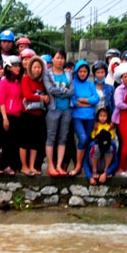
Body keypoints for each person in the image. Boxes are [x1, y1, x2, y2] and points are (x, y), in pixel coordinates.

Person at [43, 49, 74, 177]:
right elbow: (50, 89)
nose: (60, 60)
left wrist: (60, 91)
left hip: (66, 109)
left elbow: (72, 90)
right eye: (57, 58)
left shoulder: (68, 74)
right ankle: (50, 166)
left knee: (63, 138)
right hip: (53, 109)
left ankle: (59, 166)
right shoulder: (47, 74)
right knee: (51, 137)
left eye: (62, 58)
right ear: (52, 59)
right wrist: (63, 91)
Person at [69, 60, 99, 177]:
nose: (82, 73)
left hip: (90, 117)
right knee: (82, 138)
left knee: (88, 141)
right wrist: (88, 102)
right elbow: (74, 101)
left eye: (85, 71)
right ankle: (77, 165)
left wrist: (83, 100)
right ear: (77, 72)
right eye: (80, 71)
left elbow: (95, 99)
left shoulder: (91, 84)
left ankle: (86, 167)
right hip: (77, 116)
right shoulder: (73, 83)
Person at [20, 56, 48, 175]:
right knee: (25, 141)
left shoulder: (42, 82)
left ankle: (32, 166)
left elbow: (47, 97)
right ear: (30, 68)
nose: (37, 70)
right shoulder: (26, 79)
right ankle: (24, 166)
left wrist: (40, 98)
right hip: (27, 114)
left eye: (39, 67)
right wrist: (41, 97)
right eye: (35, 67)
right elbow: (27, 95)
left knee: (35, 142)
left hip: (39, 114)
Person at [0, 56, 24, 176]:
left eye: (18, 66)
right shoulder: (4, 81)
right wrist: (4, 118)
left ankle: (14, 164)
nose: (17, 68)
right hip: (7, 115)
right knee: (6, 142)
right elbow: (1, 100)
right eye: (14, 66)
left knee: (15, 142)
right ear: (8, 67)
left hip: (18, 115)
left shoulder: (19, 81)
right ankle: (5, 165)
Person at [86, 107, 118, 185]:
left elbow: (116, 161)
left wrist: (107, 172)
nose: (103, 118)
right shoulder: (93, 144)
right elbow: (85, 162)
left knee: (109, 149)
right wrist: (90, 177)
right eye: (101, 116)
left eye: (105, 116)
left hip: (105, 166)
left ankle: (105, 171)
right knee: (96, 148)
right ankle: (94, 171)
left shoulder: (111, 144)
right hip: (95, 165)